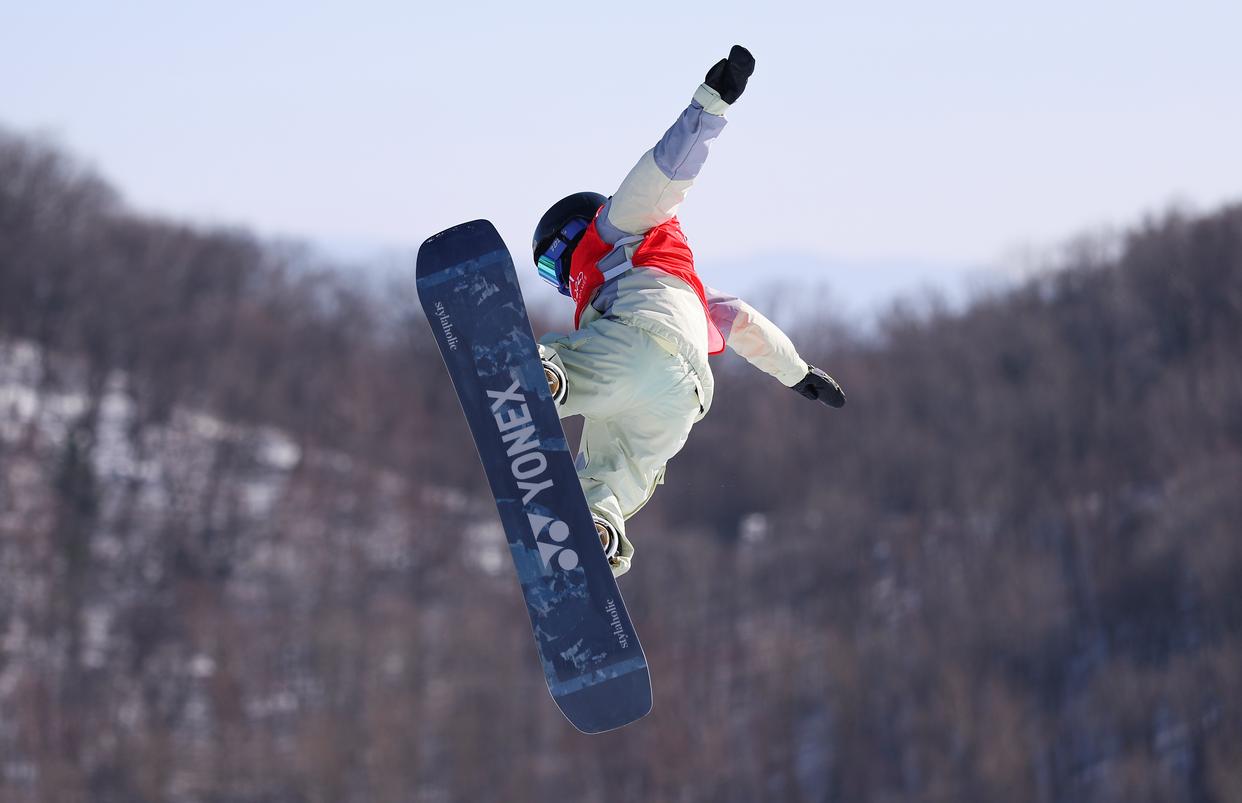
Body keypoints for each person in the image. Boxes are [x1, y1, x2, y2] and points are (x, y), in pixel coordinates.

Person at [531, 45, 845, 577]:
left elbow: (667, 169)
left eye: (555, 260)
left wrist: (712, 102)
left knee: (575, 358)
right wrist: (798, 374)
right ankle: (598, 529)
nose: (564, 279)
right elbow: (744, 322)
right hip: (682, 400)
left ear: (580, 229)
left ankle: (546, 377)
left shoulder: (620, 225)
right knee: (611, 473)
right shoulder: (694, 295)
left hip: (638, 342)